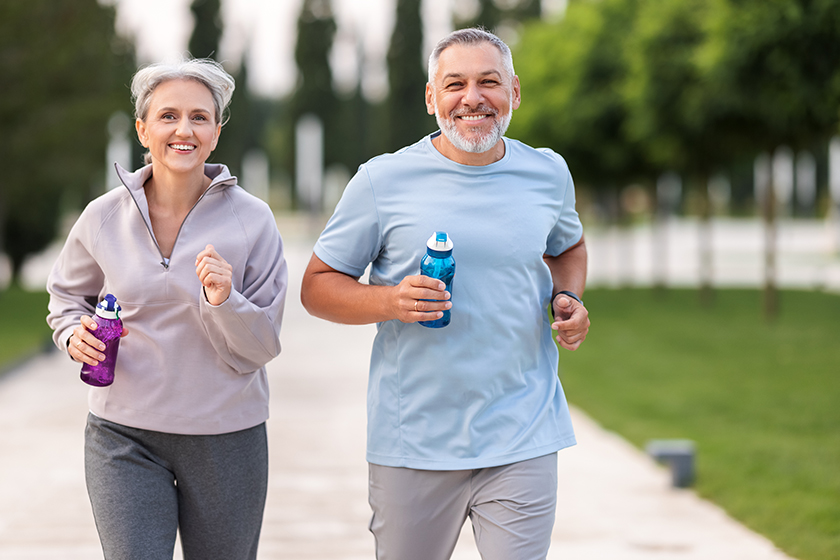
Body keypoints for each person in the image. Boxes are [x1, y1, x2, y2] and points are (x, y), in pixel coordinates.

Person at [300, 28, 590, 560]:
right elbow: (316, 287)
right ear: (432, 97)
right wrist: (389, 301)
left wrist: (567, 298)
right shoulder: (381, 180)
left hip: (522, 431)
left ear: (515, 93)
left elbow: (568, 248)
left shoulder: (548, 172)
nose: (472, 98)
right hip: (415, 440)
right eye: (454, 84)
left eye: (489, 82)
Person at [46, 58, 288, 560]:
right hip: (122, 434)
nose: (185, 129)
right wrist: (73, 335)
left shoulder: (253, 221)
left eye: (200, 117)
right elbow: (67, 298)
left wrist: (225, 301)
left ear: (217, 132)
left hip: (227, 438)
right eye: (168, 116)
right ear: (143, 128)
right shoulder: (104, 215)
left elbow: (262, 344)